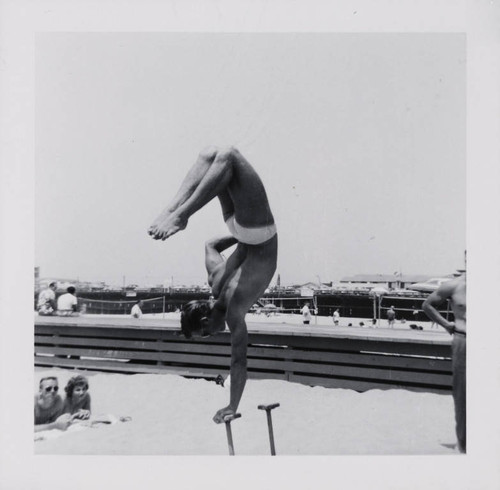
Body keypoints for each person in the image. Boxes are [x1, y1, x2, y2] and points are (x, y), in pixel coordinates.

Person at [148, 146, 277, 424]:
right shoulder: (215, 279)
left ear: (206, 319)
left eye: (206, 333)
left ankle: (180, 213)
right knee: (212, 157)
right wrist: (240, 237)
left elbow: (239, 362)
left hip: (259, 232)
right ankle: (175, 209)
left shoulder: (234, 311)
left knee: (226, 155)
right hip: (237, 226)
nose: (212, 335)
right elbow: (210, 244)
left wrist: (232, 404)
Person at [423, 272, 466, 453]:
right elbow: (427, 305)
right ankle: (465, 446)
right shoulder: (454, 285)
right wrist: (447, 325)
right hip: (464, 339)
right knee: (463, 394)